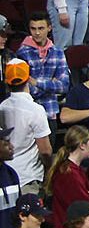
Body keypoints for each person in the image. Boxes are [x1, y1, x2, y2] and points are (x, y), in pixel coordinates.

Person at [0, 61, 50, 194]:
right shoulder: (36, 110)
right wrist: (50, 171)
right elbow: (45, 150)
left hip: (6, 177)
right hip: (28, 178)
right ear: (28, 79)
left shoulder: (2, 107)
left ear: (7, 82)